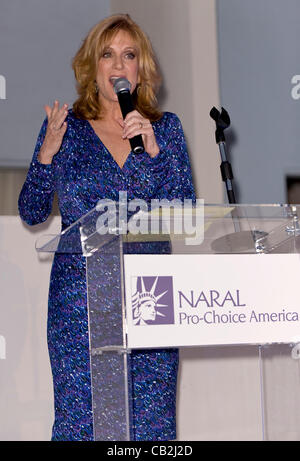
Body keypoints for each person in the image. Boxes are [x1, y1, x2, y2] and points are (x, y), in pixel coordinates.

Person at [18, 13, 196, 441]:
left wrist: (152, 152)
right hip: (80, 301)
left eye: (129, 55)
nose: (119, 65)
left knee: (152, 427)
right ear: (92, 67)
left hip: (149, 297)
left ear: (140, 69)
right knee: (83, 423)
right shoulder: (67, 129)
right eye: (108, 54)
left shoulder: (164, 130)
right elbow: (31, 210)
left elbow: (186, 215)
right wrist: (45, 156)